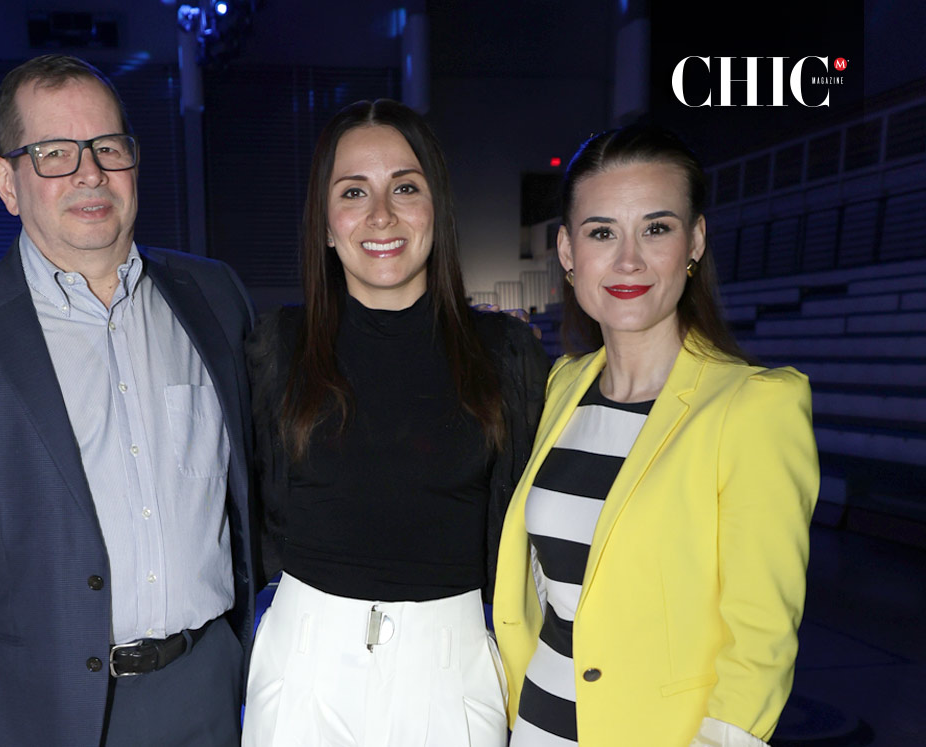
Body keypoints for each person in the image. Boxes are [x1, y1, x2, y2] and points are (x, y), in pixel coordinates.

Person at [0, 54, 258, 747]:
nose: (89, 173)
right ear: (7, 182)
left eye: (108, 148)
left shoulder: (215, 297)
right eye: (53, 153)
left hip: (207, 689)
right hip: (43, 716)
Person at [492, 125, 819, 747]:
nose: (628, 260)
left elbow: (760, 640)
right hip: (534, 726)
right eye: (602, 233)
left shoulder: (754, 407)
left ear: (694, 240)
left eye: (657, 228)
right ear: (567, 251)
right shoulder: (564, 385)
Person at [244, 99, 550, 746]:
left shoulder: (505, 354)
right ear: (326, 224)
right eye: (353, 191)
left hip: (450, 666)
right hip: (303, 664)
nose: (381, 215)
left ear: (436, 207)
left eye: (405, 188)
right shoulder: (276, 346)